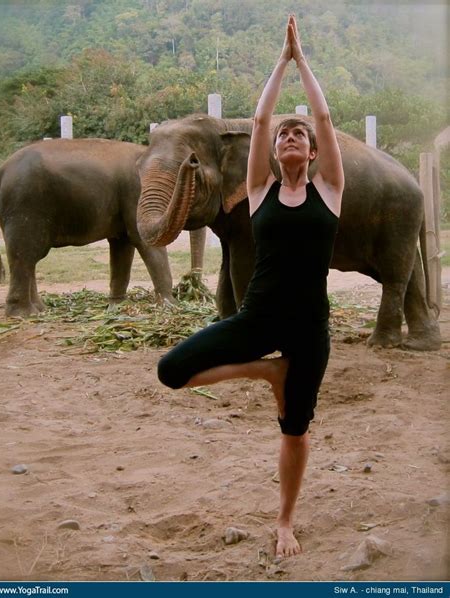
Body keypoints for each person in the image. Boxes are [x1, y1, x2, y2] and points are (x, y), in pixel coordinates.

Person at [157, 15, 344, 557]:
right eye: (286, 134)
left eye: (300, 136)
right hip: (256, 319)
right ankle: (267, 370)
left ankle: (285, 521)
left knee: (295, 430)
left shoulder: (329, 191)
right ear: (273, 150)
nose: (290, 136)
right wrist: (278, 63)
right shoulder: (258, 191)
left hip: (309, 328)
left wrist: (303, 62)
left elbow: (325, 117)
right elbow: (260, 119)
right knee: (171, 372)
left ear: (311, 154)